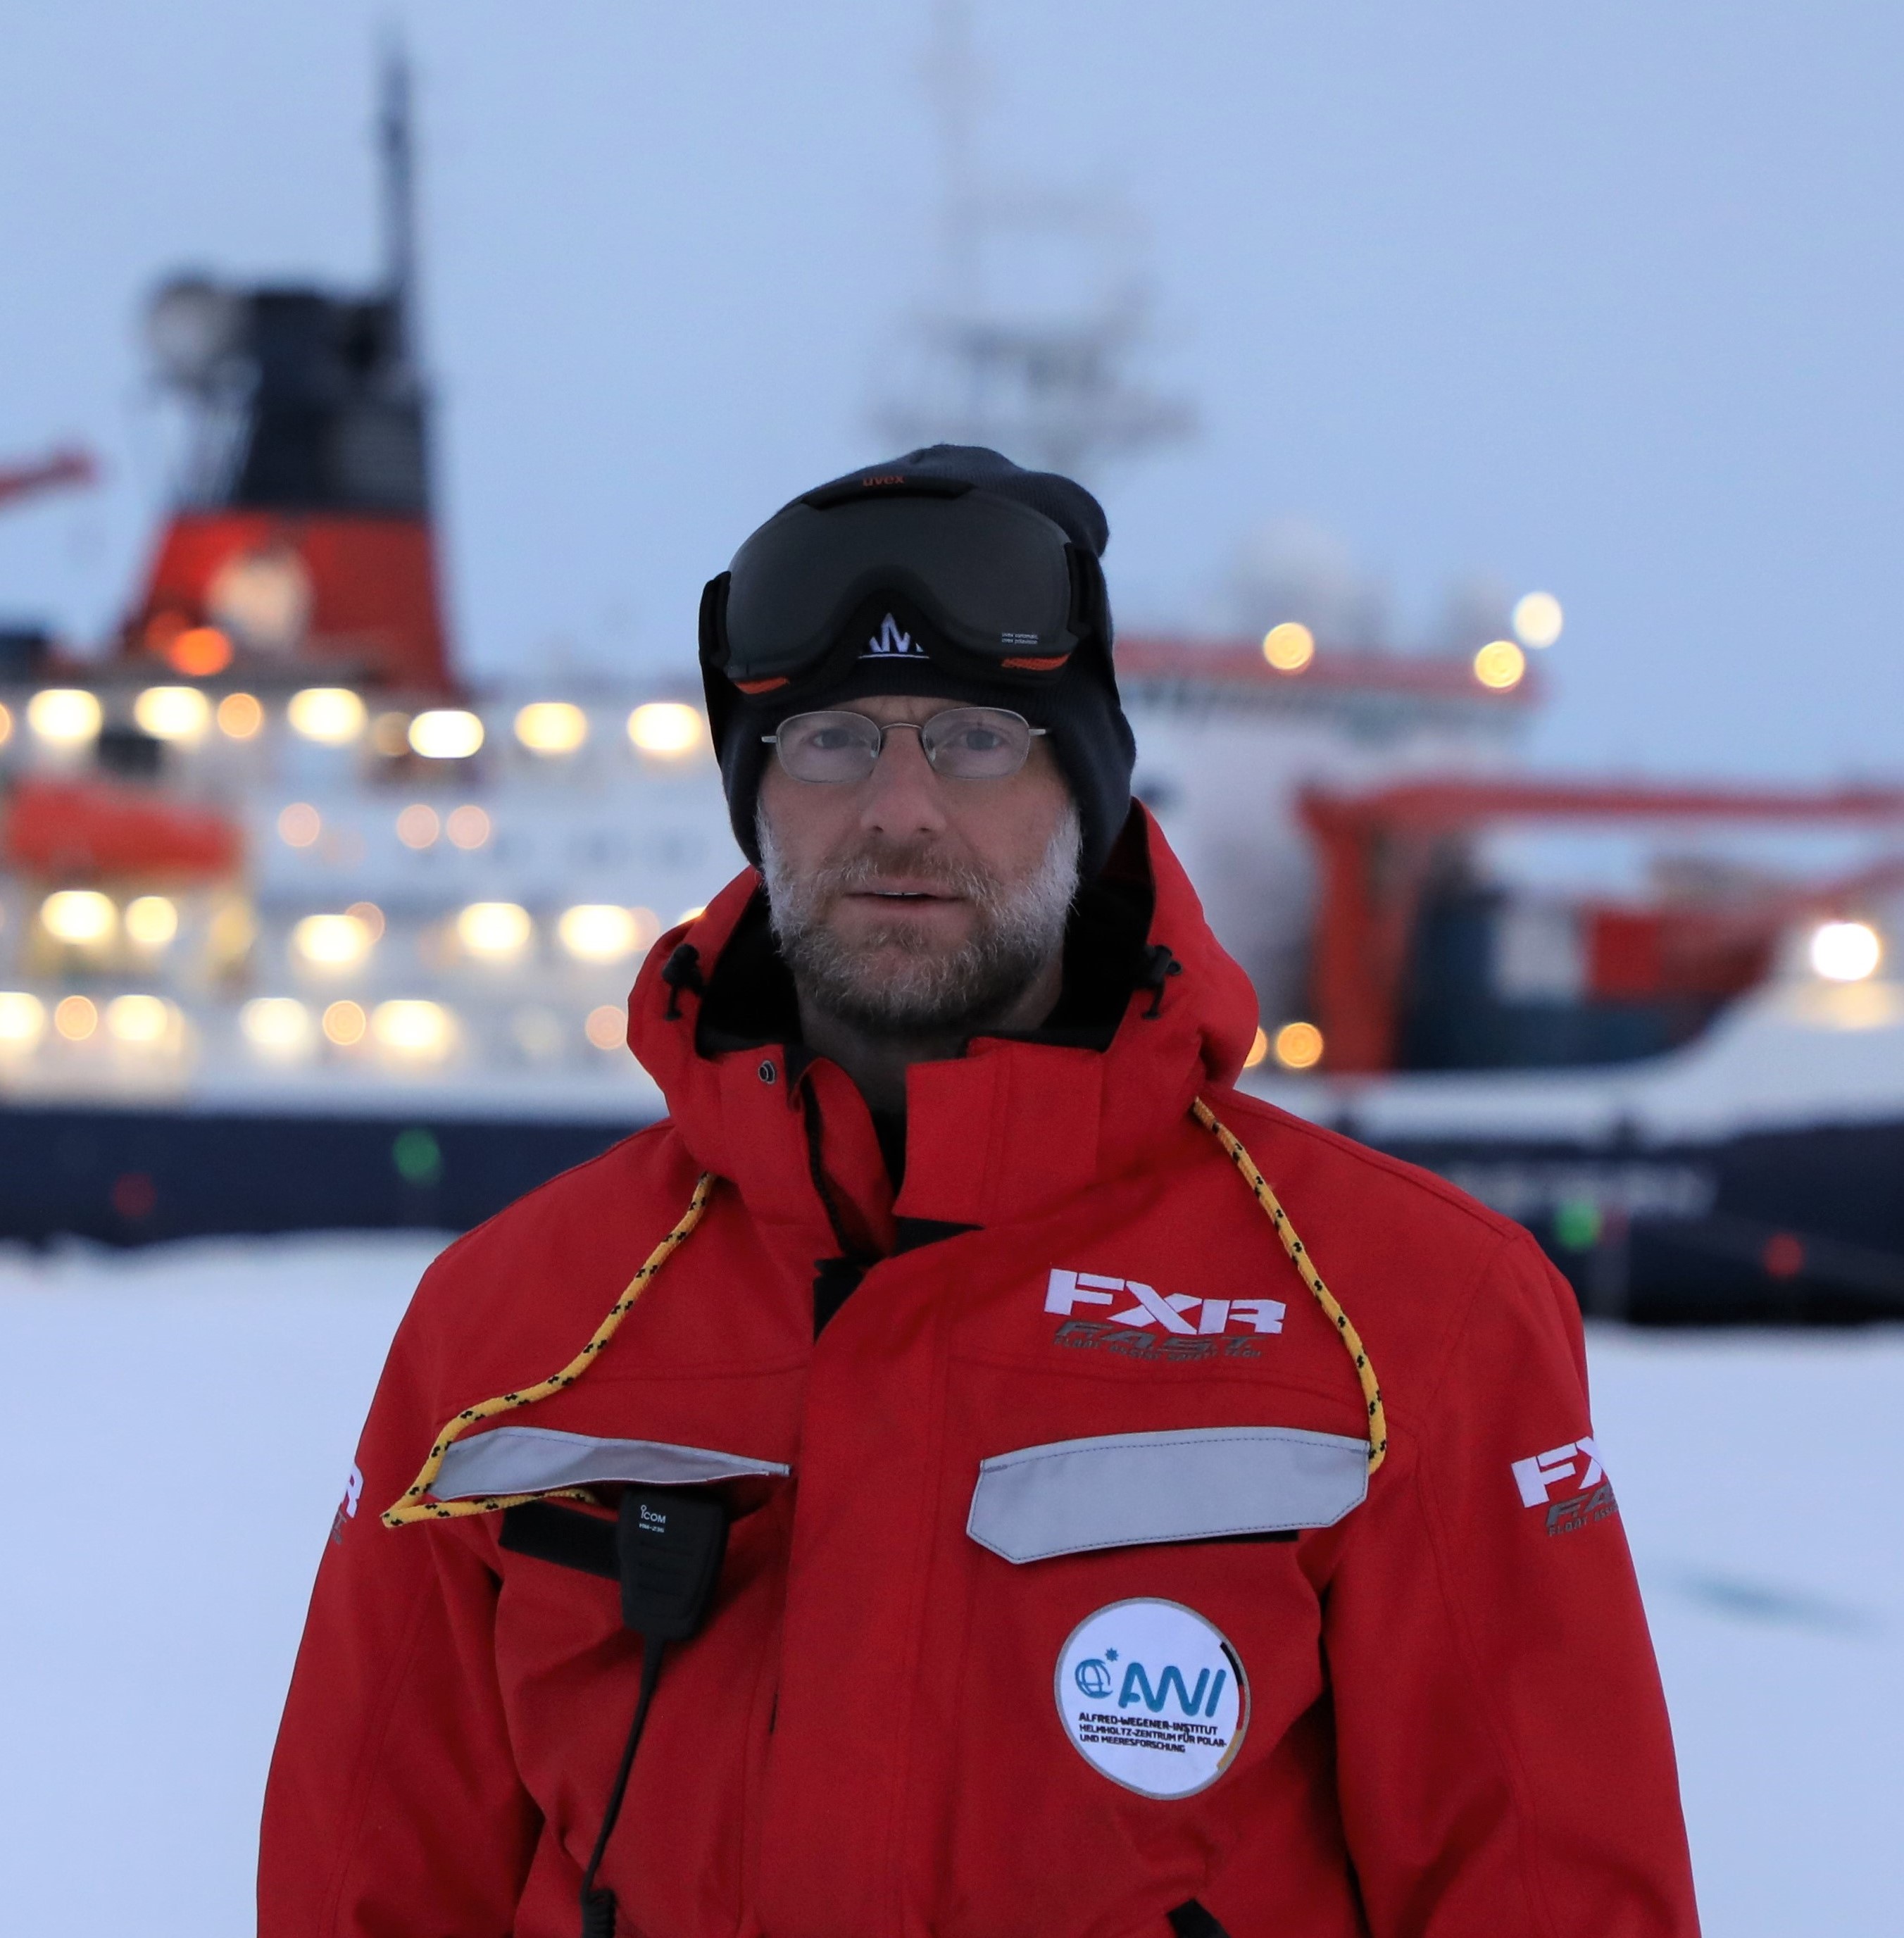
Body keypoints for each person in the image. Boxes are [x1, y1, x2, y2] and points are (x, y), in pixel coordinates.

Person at [261, 446, 1700, 1938]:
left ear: (1087, 785)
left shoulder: (1409, 1311)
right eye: (824, 740)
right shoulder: (510, 1320)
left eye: (974, 737)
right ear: (752, 796)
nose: (897, 810)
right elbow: (362, 1885)